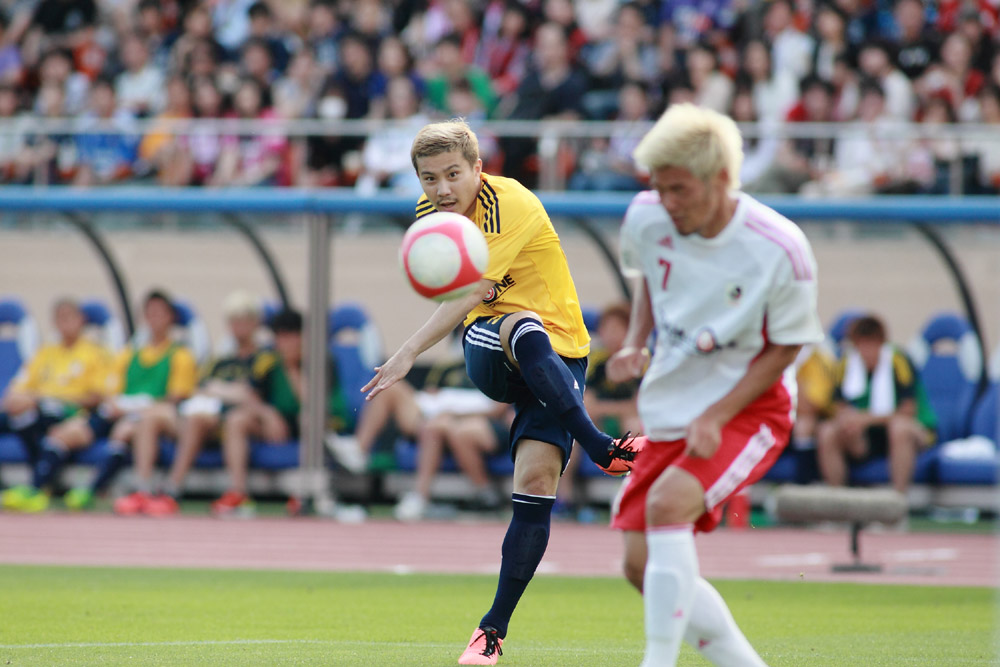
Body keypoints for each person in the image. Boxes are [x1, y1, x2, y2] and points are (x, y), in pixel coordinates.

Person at [361, 119, 640, 665]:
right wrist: (411, 350)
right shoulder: (428, 223)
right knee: (519, 324)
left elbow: (462, 289)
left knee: (537, 483)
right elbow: (463, 297)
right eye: (428, 179)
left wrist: (408, 351)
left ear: (478, 169)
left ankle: (490, 632)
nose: (441, 190)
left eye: (452, 175)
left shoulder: (508, 203)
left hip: (563, 357)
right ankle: (604, 448)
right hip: (491, 345)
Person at [606, 103, 824, 666]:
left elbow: (787, 347)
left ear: (722, 179)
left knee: (667, 505)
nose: (667, 202)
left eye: (679, 189)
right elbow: (651, 280)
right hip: (672, 405)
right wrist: (636, 340)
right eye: (659, 188)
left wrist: (718, 415)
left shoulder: (781, 248)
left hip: (750, 408)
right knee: (638, 566)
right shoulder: (647, 216)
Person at [61, 290, 198, 512]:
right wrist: (117, 405)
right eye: (149, 313)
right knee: (77, 428)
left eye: (159, 313)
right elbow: (111, 392)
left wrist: (138, 408)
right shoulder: (128, 354)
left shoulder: (180, 355)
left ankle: (138, 488)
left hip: (161, 415)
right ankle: (58, 485)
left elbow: (177, 397)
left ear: (170, 317)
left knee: (136, 424)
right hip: (123, 414)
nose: (154, 319)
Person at [211, 308, 354, 517]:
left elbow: (311, 404)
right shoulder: (269, 361)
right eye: (279, 337)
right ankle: (238, 494)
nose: (283, 344)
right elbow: (251, 394)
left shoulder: (322, 361)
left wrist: (292, 368)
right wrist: (267, 413)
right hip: (280, 424)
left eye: (290, 337)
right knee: (236, 419)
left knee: (307, 419)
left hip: (322, 424)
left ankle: (307, 490)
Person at [144, 291, 267, 515]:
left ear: (255, 322)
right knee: (157, 415)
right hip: (210, 418)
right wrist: (226, 390)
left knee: (233, 420)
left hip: (250, 420)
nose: (239, 326)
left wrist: (219, 390)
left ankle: (237, 493)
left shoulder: (264, 357)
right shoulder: (218, 360)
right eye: (234, 320)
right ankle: (145, 490)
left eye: (244, 320)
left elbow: (251, 395)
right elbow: (201, 388)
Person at [0, 298, 112, 512]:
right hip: (38, 408)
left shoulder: (95, 353)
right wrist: (21, 399)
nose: (65, 323)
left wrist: (48, 399)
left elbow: (98, 397)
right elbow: (19, 387)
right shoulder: (45, 352)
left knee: (36, 415)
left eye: (70, 317)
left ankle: (37, 488)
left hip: (70, 411)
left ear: (82, 321)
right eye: (60, 319)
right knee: (18, 413)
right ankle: (38, 483)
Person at [816, 314, 936, 494]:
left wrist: (865, 419)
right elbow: (839, 406)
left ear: (881, 343)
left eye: (870, 345)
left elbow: (907, 412)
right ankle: (837, 505)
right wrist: (848, 422)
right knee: (828, 431)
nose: (866, 352)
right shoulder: (846, 363)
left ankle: (897, 505)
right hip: (867, 438)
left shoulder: (899, 360)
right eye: (861, 346)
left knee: (899, 429)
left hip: (912, 433)